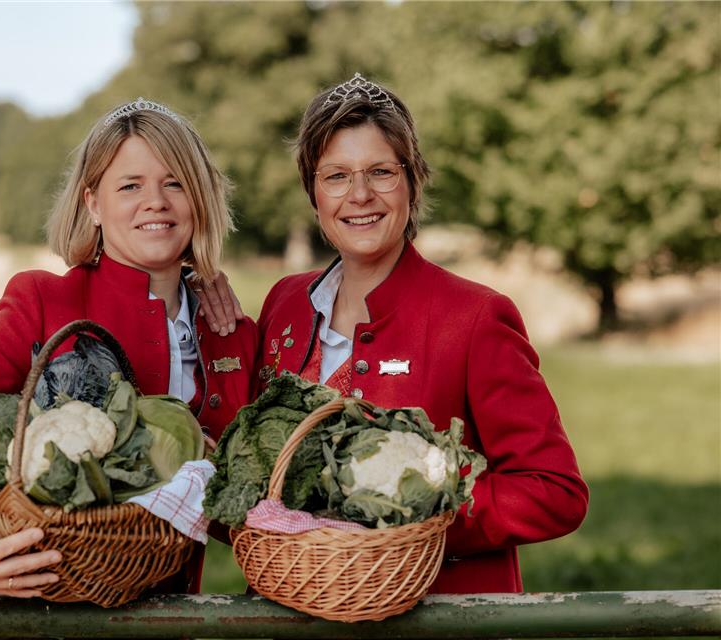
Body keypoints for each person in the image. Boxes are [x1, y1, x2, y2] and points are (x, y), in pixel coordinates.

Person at [198, 74, 588, 593]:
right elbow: (251, 476)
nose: (359, 195)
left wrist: (412, 515)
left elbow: (553, 491)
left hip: (437, 623)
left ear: (413, 181)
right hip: (291, 616)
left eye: (381, 172)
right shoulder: (284, 304)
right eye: (336, 176)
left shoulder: (475, 316)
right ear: (313, 192)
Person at [0, 98, 258, 596]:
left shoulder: (229, 333)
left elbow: (236, 501)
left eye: (176, 182)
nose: (156, 201)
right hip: (41, 607)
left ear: (200, 198)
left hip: (169, 621)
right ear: (93, 204)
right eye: (130, 186)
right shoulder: (42, 301)